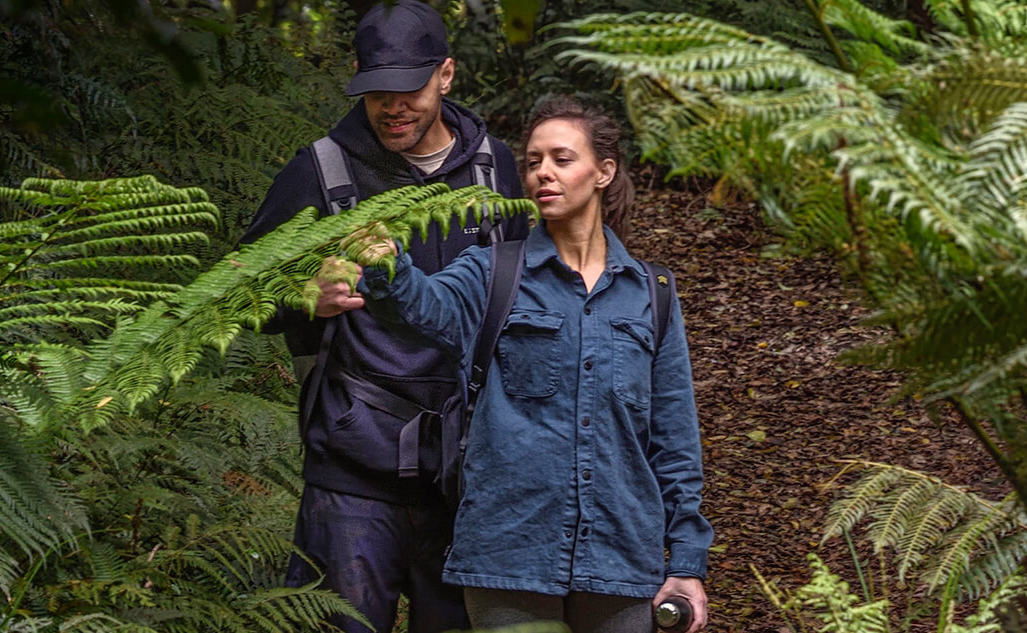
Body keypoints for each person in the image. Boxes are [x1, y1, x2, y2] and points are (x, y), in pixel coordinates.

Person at [347, 96, 712, 633]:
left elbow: (674, 440)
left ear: (603, 172)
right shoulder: (493, 273)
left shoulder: (650, 293)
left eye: (562, 159)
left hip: (621, 561)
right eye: (533, 161)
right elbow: (422, 306)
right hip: (508, 556)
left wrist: (686, 563)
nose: (543, 172)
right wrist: (385, 264)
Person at [237, 2, 528, 632]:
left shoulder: (494, 168)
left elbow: (527, 295)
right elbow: (234, 294)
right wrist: (298, 296)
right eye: (376, 93)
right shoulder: (322, 170)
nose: (392, 108)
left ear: (445, 76)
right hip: (352, 469)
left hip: (466, 469)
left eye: (408, 90)